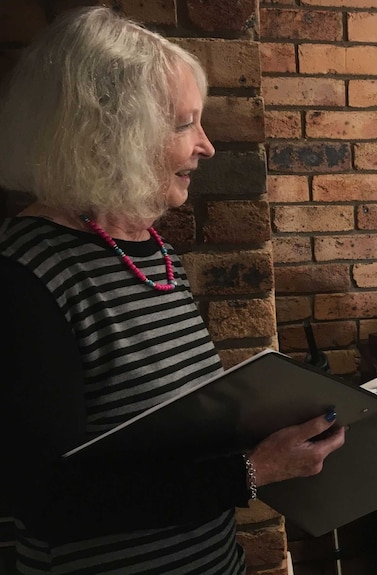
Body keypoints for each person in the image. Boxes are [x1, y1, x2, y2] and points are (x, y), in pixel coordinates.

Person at [0, 7, 345, 574]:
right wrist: (253, 470)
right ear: (107, 131)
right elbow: (45, 500)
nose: (206, 146)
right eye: (184, 124)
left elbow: (161, 440)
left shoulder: (154, 252)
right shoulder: (26, 275)